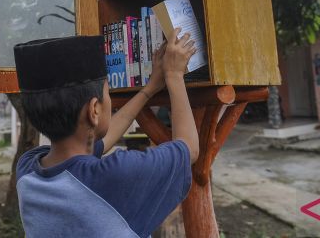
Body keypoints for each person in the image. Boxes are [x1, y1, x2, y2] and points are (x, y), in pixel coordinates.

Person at [13, 28, 199, 238]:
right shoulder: (116, 177)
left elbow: (101, 141)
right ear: (94, 110)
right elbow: (189, 148)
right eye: (107, 93)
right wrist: (174, 75)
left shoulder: (28, 169)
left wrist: (149, 90)